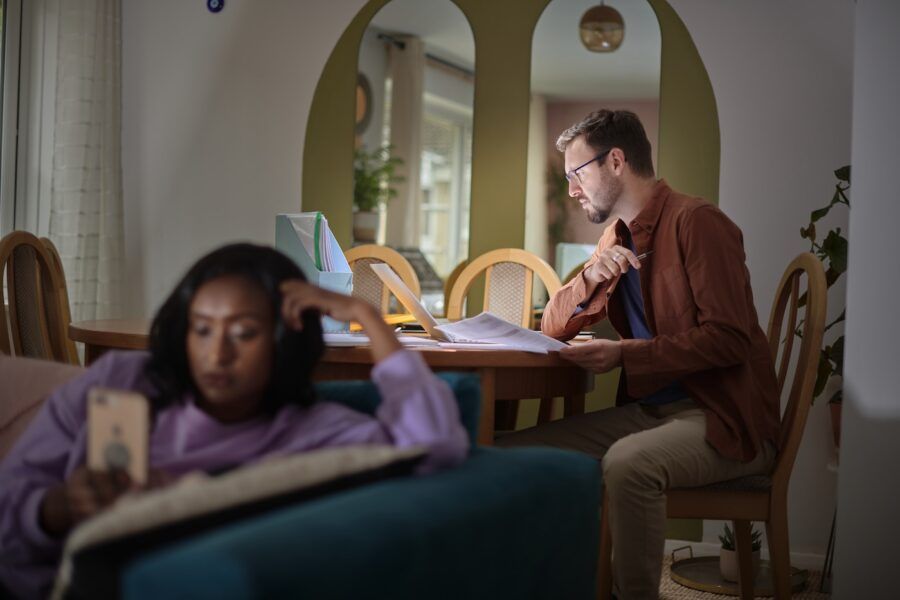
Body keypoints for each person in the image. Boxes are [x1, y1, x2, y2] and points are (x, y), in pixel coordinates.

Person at [0, 243, 468, 599]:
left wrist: (368, 317)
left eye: (244, 333)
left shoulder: (318, 429)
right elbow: (12, 499)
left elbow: (434, 447)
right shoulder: (122, 381)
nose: (217, 354)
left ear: (285, 340)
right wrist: (54, 509)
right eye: (202, 329)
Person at [496, 110, 780, 599]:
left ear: (616, 161)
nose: (571, 190)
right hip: (650, 414)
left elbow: (730, 338)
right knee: (507, 456)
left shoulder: (698, 222)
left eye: (576, 174)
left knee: (630, 464)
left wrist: (625, 354)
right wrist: (591, 277)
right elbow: (552, 326)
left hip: (723, 419)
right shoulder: (615, 237)